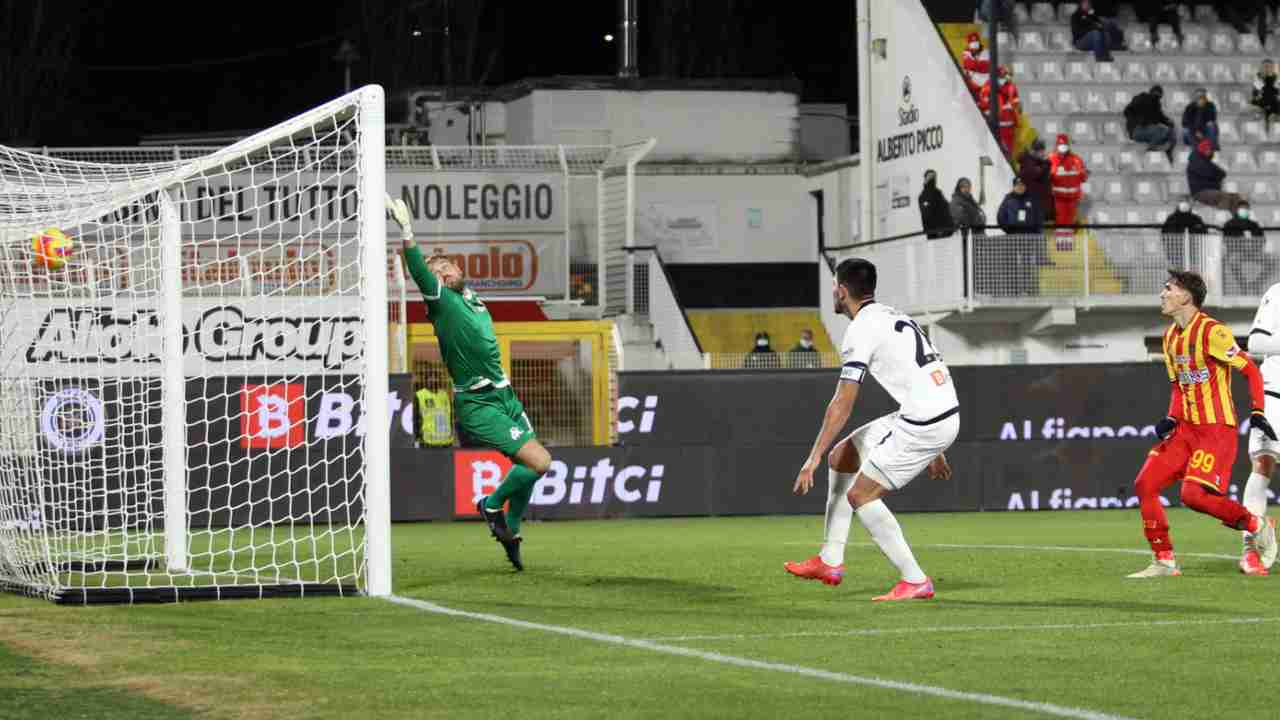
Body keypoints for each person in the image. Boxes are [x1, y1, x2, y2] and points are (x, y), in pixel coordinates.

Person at [388, 195, 550, 571]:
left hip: (504, 395)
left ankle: (510, 531)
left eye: (450, 264)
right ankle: (491, 505)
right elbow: (419, 270)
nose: (452, 268)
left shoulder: (471, 297)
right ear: (439, 280)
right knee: (540, 462)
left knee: (526, 467)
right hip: (479, 403)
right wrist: (408, 233)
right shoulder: (441, 301)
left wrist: (440, 263)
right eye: (444, 267)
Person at [784, 258, 957, 601]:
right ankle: (830, 560)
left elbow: (842, 404)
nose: (833, 291)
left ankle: (915, 580)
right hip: (935, 413)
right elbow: (922, 378)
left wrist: (811, 458)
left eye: (835, 286)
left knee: (860, 495)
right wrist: (937, 449)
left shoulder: (861, 329)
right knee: (842, 456)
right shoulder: (894, 316)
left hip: (923, 422)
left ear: (843, 291)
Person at [1128, 270, 1278, 577]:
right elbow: (1177, 386)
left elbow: (1250, 370)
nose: (1162, 294)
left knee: (1193, 496)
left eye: (1168, 289)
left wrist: (1258, 412)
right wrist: (1171, 416)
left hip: (1215, 429)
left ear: (1185, 296)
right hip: (1185, 429)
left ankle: (1257, 525)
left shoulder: (1212, 331)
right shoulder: (1170, 337)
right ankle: (1164, 561)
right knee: (1145, 484)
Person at [1241, 282, 1280, 574]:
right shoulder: (1278, 293)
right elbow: (1255, 343)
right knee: (1263, 464)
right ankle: (1249, 551)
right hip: (1275, 393)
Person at [997, 176, 1045, 295]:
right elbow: (1000, 216)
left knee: (1027, 264)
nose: (1020, 187)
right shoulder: (1008, 199)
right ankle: (1013, 289)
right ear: (1014, 186)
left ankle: (1027, 288)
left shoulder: (1032, 199)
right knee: (1011, 263)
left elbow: (1039, 216)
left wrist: (1037, 231)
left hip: (1028, 237)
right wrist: (1007, 229)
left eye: (1022, 185)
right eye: (1017, 185)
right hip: (1013, 237)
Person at [1223, 201, 1268, 296]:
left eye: (1246, 209)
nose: (1244, 211)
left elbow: (1262, 240)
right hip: (1237, 253)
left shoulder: (1254, 224)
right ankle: (1243, 285)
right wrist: (1240, 247)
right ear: (1237, 210)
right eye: (1242, 209)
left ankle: (1257, 283)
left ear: (1248, 210)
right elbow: (1227, 241)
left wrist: (1255, 248)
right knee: (1233, 261)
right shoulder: (1229, 224)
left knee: (1272, 261)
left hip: (1254, 253)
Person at [1187, 138, 1244, 210]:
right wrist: (1216, 177)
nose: (1211, 152)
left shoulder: (1206, 161)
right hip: (1200, 192)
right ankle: (1222, 216)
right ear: (1203, 150)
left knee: (1235, 197)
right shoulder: (1196, 162)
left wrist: (1216, 176)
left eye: (1211, 150)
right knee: (1224, 197)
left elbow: (1222, 173)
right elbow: (1210, 174)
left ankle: (1236, 219)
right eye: (1209, 150)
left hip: (1212, 190)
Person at [1049, 133, 1088, 236]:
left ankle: (1070, 249)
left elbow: (1083, 177)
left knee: (1071, 223)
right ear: (1056, 145)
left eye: (1064, 144)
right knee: (1061, 222)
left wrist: (1082, 172)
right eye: (1060, 144)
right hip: (1059, 198)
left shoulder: (1076, 159)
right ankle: (1061, 247)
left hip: (1073, 198)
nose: (1062, 147)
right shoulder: (1052, 159)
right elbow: (1048, 178)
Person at [1124, 85, 1176, 160]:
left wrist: (1169, 122)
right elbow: (1126, 111)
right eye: (1156, 94)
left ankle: (1166, 154)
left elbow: (1160, 117)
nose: (1157, 96)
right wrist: (1138, 121)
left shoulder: (1156, 104)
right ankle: (1150, 151)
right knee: (1163, 130)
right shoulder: (1141, 98)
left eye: (1159, 95)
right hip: (1138, 129)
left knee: (1170, 133)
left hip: (1148, 130)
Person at [978, 66, 1021, 155]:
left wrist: (1015, 107)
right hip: (995, 124)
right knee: (993, 150)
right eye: (1006, 74)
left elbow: (1016, 103)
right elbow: (984, 101)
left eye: (1009, 75)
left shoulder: (1011, 86)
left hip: (1009, 126)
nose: (1008, 77)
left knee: (1007, 152)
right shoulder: (989, 85)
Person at [1160, 197, 1208, 269]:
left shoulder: (1196, 219)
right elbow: (1165, 234)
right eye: (1182, 202)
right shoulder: (1171, 219)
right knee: (1179, 269)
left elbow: (1204, 232)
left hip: (1193, 250)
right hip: (1176, 250)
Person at [1017, 137, 1052, 217]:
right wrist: (1046, 165)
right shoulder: (1027, 161)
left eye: (1043, 151)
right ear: (1034, 151)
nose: (1043, 154)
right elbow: (1034, 174)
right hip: (1029, 202)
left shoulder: (1038, 162)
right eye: (1041, 151)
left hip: (1038, 204)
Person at [918, 168, 953, 239]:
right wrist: (936, 230)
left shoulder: (938, 193)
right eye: (930, 177)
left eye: (934, 176)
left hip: (945, 231)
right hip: (935, 234)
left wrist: (952, 225)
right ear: (925, 179)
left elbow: (946, 209)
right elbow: (926, 215)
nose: (933, 178)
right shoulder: (924, 196)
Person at [961, 31, 990, 99]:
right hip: (972, 82)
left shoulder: (986, 52)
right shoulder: (966, 53)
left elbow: (987, 67)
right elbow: (968, 64)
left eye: (976, 44)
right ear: (969, 44)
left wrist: (975, 65)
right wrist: (979, 65)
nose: (974, 48)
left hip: (985, 82)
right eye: (972, 45)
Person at [1252, 59, 1280, 127]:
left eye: (1269, 67)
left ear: (1273, 68)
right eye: (1265, 67)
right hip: (1262, 107)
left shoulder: (1277, 79)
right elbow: (1256, 95)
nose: (1267, 69)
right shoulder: (1258, 79)